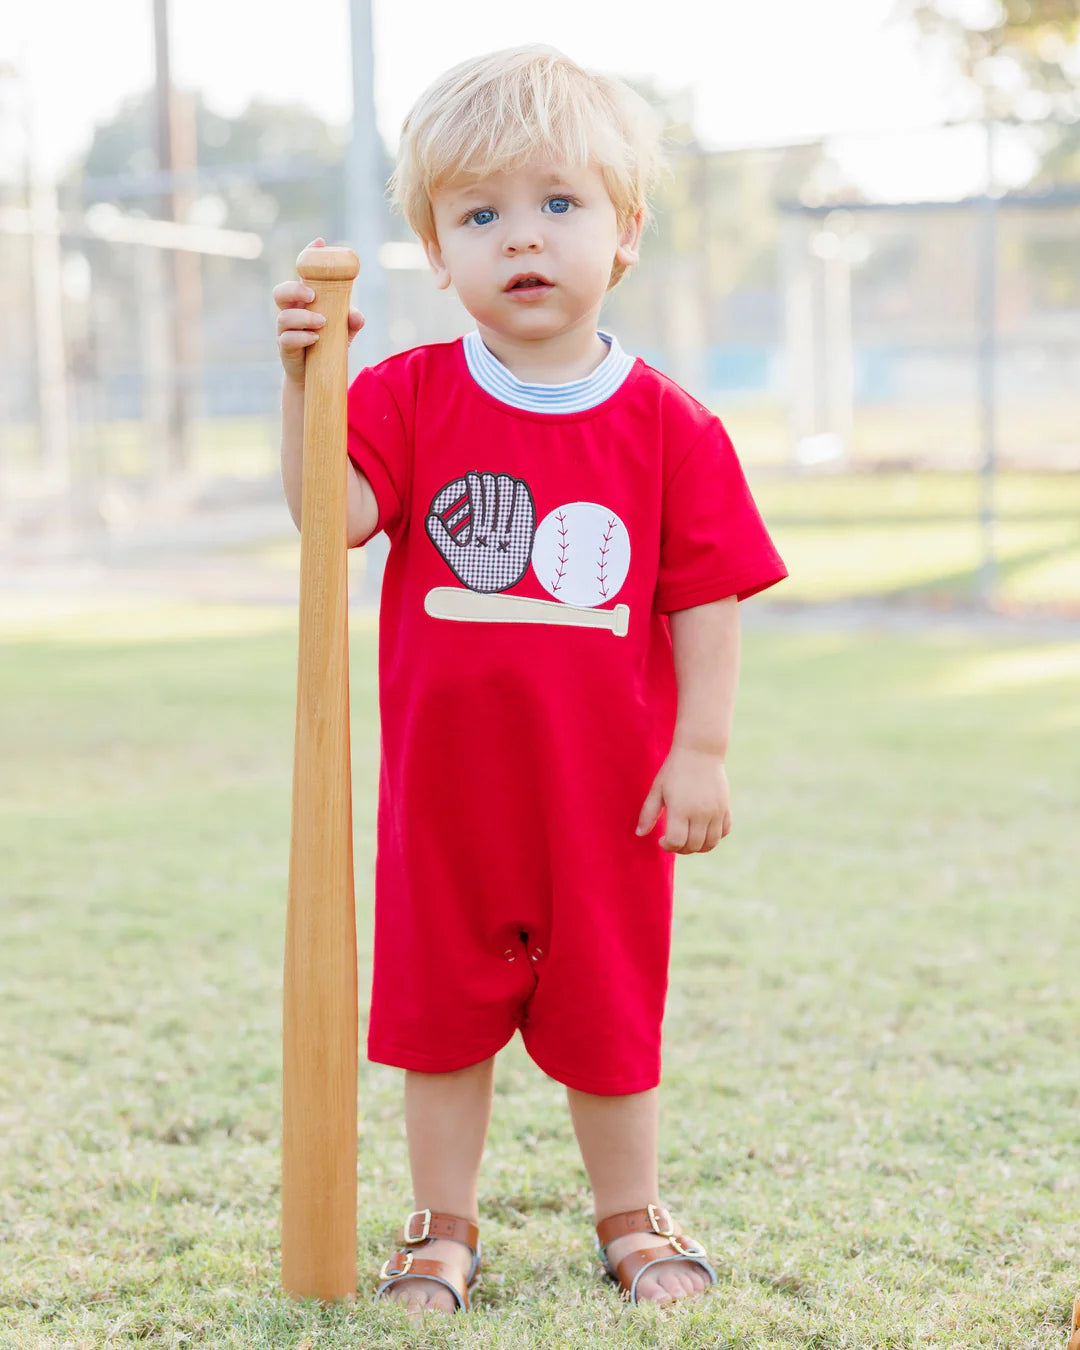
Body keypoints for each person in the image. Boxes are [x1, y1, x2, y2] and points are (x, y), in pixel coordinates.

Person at [274, 44, 787, 1317]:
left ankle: (632, 1215)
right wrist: (305, 384)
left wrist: (703, 749)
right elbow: (326, 518)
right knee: (440, 1016)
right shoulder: (403, 396)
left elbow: (704, 595)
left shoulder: (670, 424)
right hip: (449, 793)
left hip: (607, 794)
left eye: (560, 204)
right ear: (436, 251)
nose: (524, 237)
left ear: (624, 232)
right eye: (480, 213)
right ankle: (441, 1224)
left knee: (610, 1012)